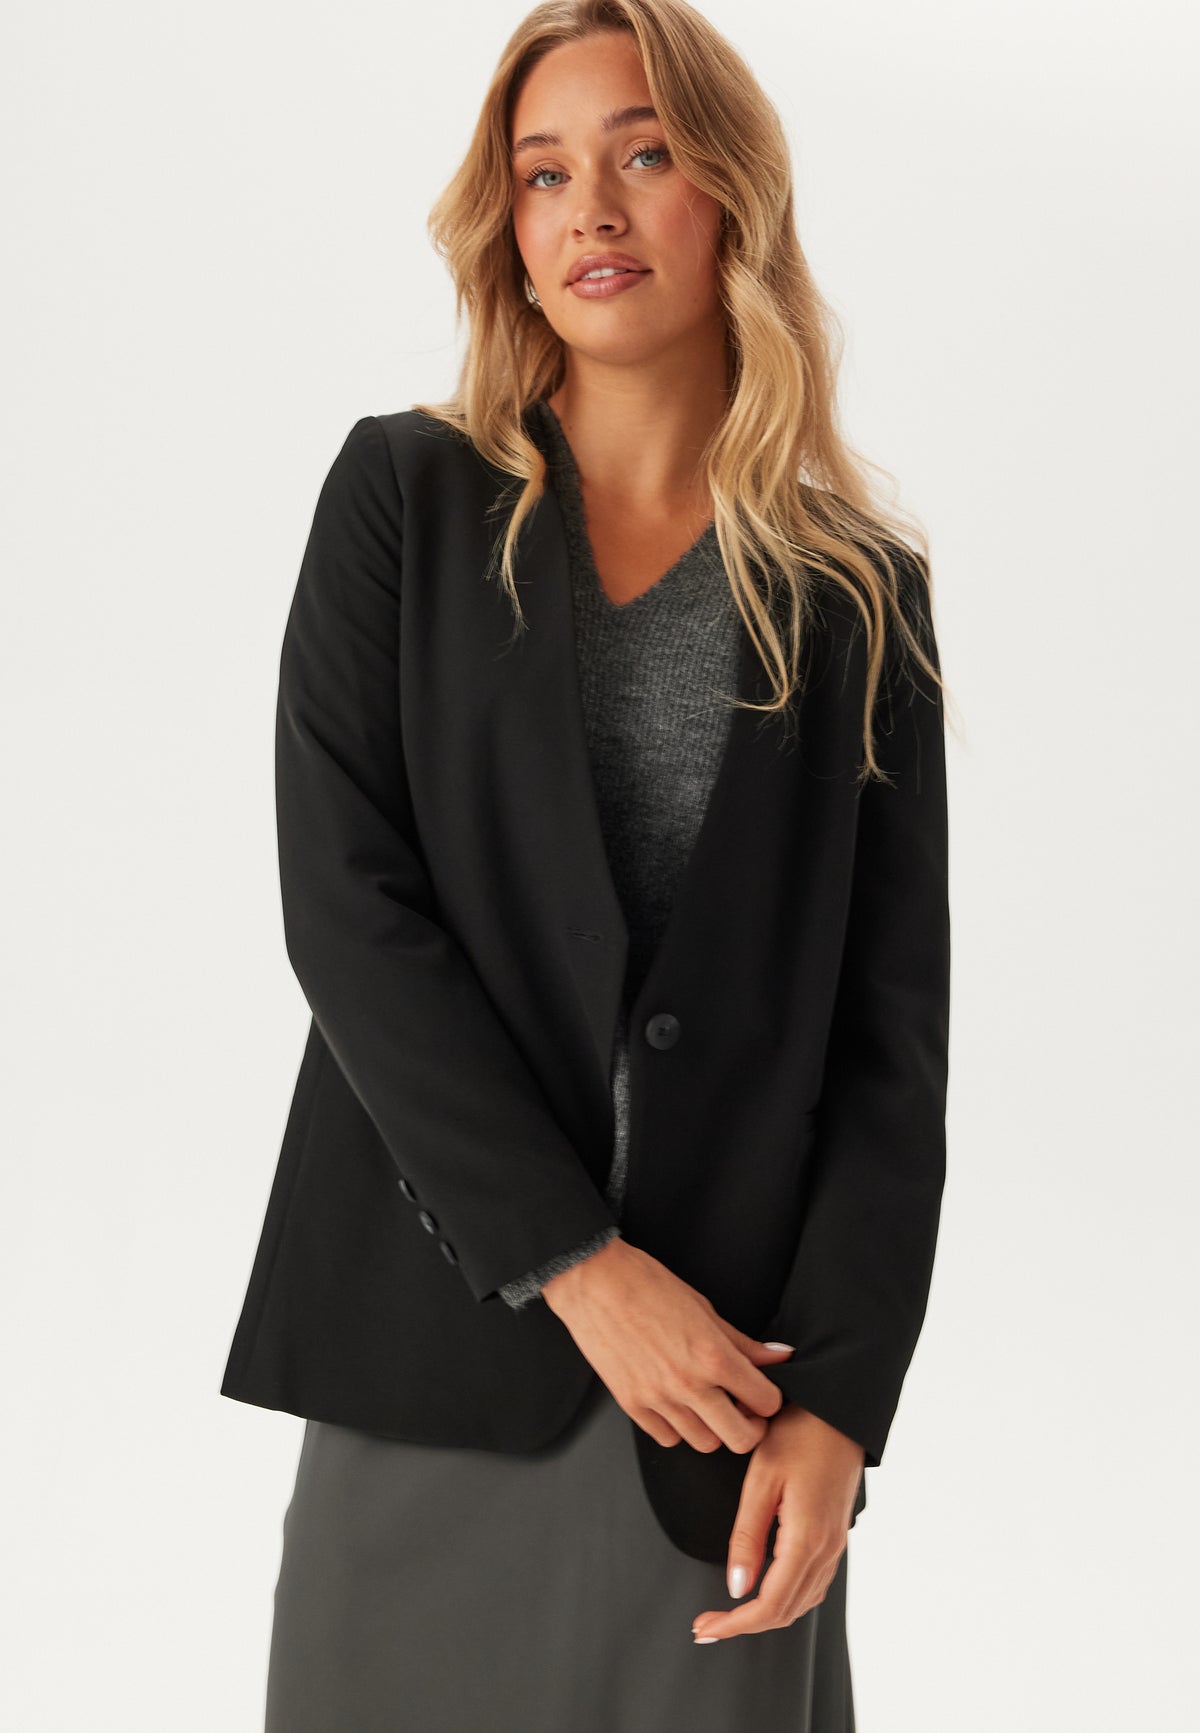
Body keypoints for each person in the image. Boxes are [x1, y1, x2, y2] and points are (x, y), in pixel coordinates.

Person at [219, 2, 952, 1728]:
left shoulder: (854, 594)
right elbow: (350, 913)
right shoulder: (403, 499)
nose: (590, 210)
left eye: (643, 154)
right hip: (434, 1350)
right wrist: (576, 1264)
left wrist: (844, 1406)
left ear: (732, 196)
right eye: (544, 173)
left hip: (724, 1410)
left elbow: (888, 1048)